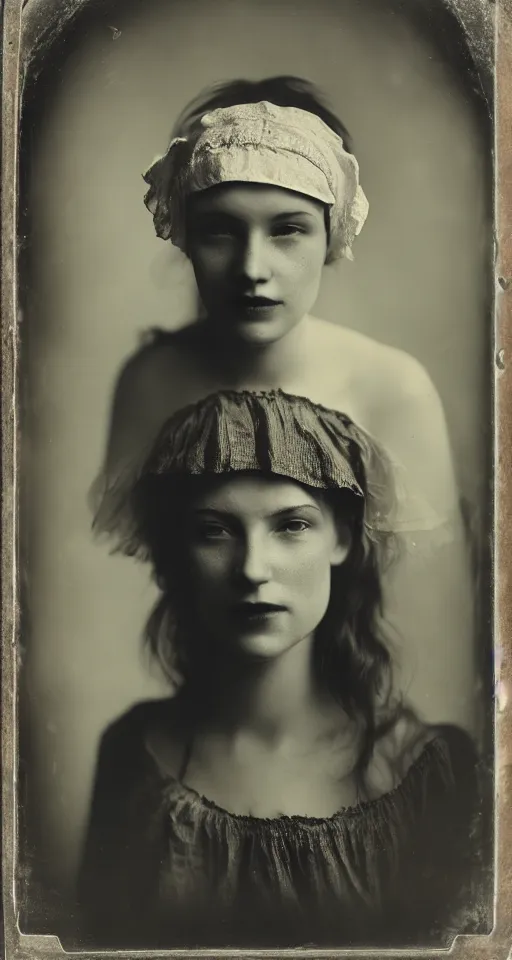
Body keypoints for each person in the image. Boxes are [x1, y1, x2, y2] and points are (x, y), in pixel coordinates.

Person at [91, 76, 477, 733]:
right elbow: (179, 593)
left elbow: (444, 639)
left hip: (370, 734)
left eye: (288, 231)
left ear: (332, 236)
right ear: (185, 237)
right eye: (221, 232)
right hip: (214, 730)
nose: (252, 267)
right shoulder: (149, 383)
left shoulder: (393, 389)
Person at [79, 389, 481, 950]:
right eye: (214, 530)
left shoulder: (427, 773)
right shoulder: (134, 756)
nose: (252, 568)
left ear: (341, 537)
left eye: (291, 525)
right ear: (176, 551)